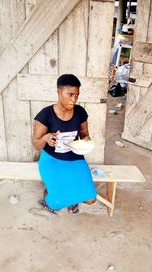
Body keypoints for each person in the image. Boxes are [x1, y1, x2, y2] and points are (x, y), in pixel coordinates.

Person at [32, 74, 97, 214]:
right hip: (52, 160)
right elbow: (36, 144)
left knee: (91, 199)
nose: (74, 99)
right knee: (55, 204)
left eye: (77, 95)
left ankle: (70, 196)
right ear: (59, 92)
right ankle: (48, 193)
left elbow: (85, 133)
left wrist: (86, 140)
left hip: (74, 158)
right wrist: (45, 138)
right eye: (70, 94)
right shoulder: (45, 115)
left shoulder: (80, 112)